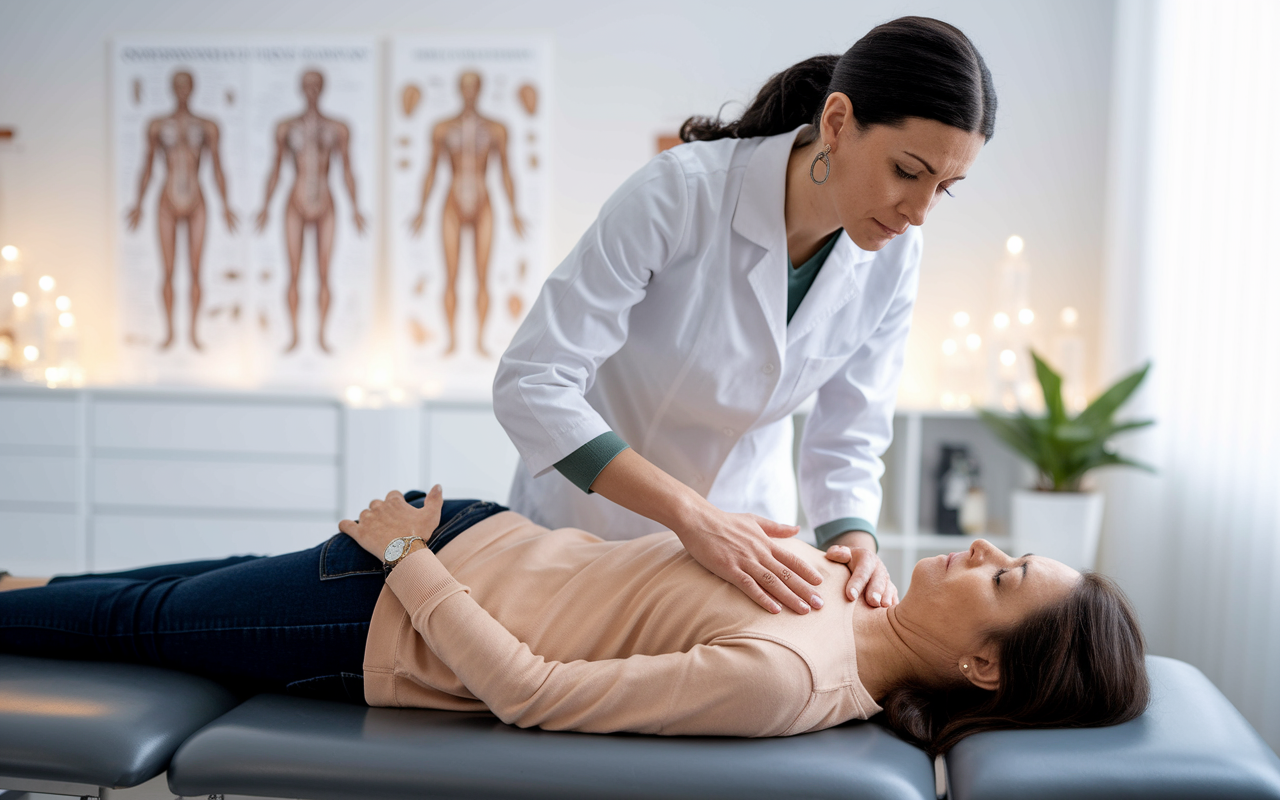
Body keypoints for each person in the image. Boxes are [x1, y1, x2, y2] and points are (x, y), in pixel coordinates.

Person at [0, 488, 1149, 755]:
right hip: (456, 537)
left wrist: (402, 554)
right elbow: (642, 572)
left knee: (133, 617)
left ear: (981, 665)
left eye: (1003, 579)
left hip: (378, 616)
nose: (984, 548)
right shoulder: (859, 595)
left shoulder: (781, 684)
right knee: (91, 589)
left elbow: (533, 691)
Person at [493, 16, 995, 618]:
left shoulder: (894, 253)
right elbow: (533, 380)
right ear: (837, 123)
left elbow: (849, 436)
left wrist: (856, 546)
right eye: (906, 172)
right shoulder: (680, 193)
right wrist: (693, 518)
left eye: (945, 188)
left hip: (751, 547)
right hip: (596, 530)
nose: (917, 213)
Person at [409, 70, 526, 358]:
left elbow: (507, 172)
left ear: (481, 90)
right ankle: (451, 341)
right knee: (450, 276)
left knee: (482, 277)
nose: (469, 92)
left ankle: (478, 342)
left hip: (484, 201)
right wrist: (422, 208)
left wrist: (514, 210)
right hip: (452, 201)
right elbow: (432, 170)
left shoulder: (497, 129)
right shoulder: (442, 128)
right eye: (465, 87)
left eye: (474, 87)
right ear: (459, 90)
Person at [255, 70, 367, 354]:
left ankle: (320, 337)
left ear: (323, 89)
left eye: (316, 86)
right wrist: (266, 205)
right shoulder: (286, 128)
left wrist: (355, 207)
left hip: (326, 201)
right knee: (293, 273)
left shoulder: (338, 128)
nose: (312, 91)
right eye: (307, 86)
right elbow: (276, 168)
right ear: (300, 89)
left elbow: (348, 169)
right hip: (295, 198)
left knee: (324, 274)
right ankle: (294, 336)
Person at [125, 70, 238, 351]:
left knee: (196, 271)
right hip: (166, 199)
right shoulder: (157, 125)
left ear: (193, 88)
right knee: (168, 271)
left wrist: (226, 205)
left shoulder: (208, 126)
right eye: (177, 85)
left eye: (186, 85)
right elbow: (147, 166)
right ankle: (170, 334)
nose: (182, 90)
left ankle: (193, 333)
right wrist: (138, 203)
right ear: (171, 89)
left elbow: (218, 167)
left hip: (197, 199)